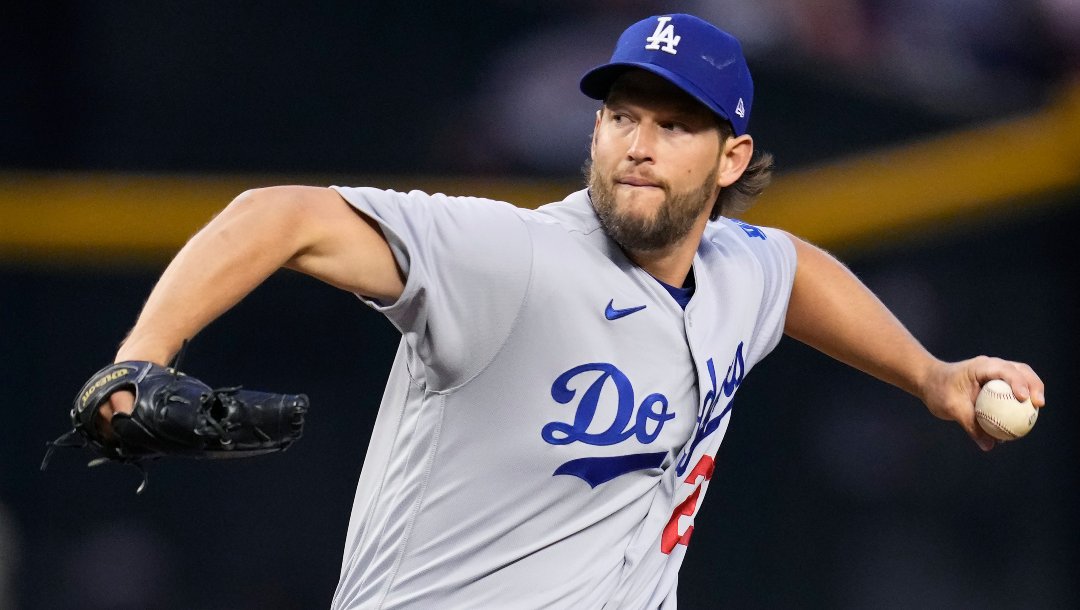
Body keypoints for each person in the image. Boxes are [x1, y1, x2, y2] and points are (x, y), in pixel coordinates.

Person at [93, 13, 1044, 609]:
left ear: (731, 159)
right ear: (593, 128)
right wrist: (141, 358)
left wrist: (931, 375)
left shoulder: (737, 270)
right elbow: (280, 214)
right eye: (623, 115)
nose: (639, 143)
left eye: (674, 126)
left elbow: (793, 272)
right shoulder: (515, 257)